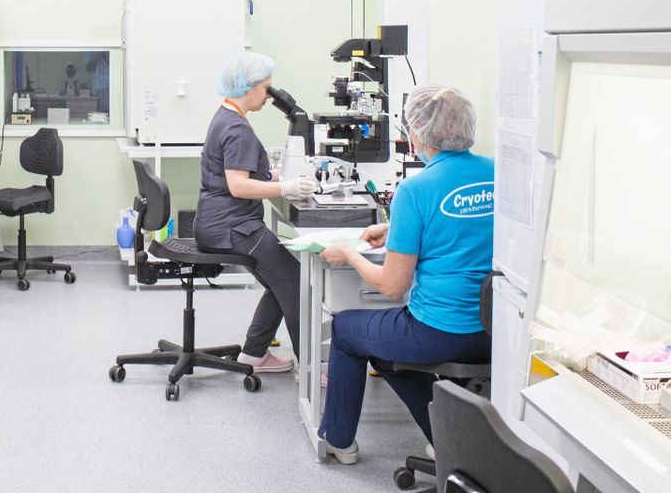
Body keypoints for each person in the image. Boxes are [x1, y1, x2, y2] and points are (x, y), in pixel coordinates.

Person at [316, 84, 494, 465]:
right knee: (384, 354)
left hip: (439, 333)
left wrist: (349, 253)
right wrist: (396, 227)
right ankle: (447, 435)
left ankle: (339, 441)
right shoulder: (498, 174)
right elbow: (460, 232)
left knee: (347, 330)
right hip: (494, 333)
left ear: (418, 132)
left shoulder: (416, 189)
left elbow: (392, 287)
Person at [194, 53, 316, 373]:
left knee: (282, 277)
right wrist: (285, 188)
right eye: (266, 88)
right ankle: (313, 367)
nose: (268, 96)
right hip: (232, 226)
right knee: (295, 278)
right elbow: (238, 186)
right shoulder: (237, 128)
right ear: (248, 88)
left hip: (221, 221)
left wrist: (280, 177)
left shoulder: (226, 116)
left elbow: (240, 172)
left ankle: (254, 354)